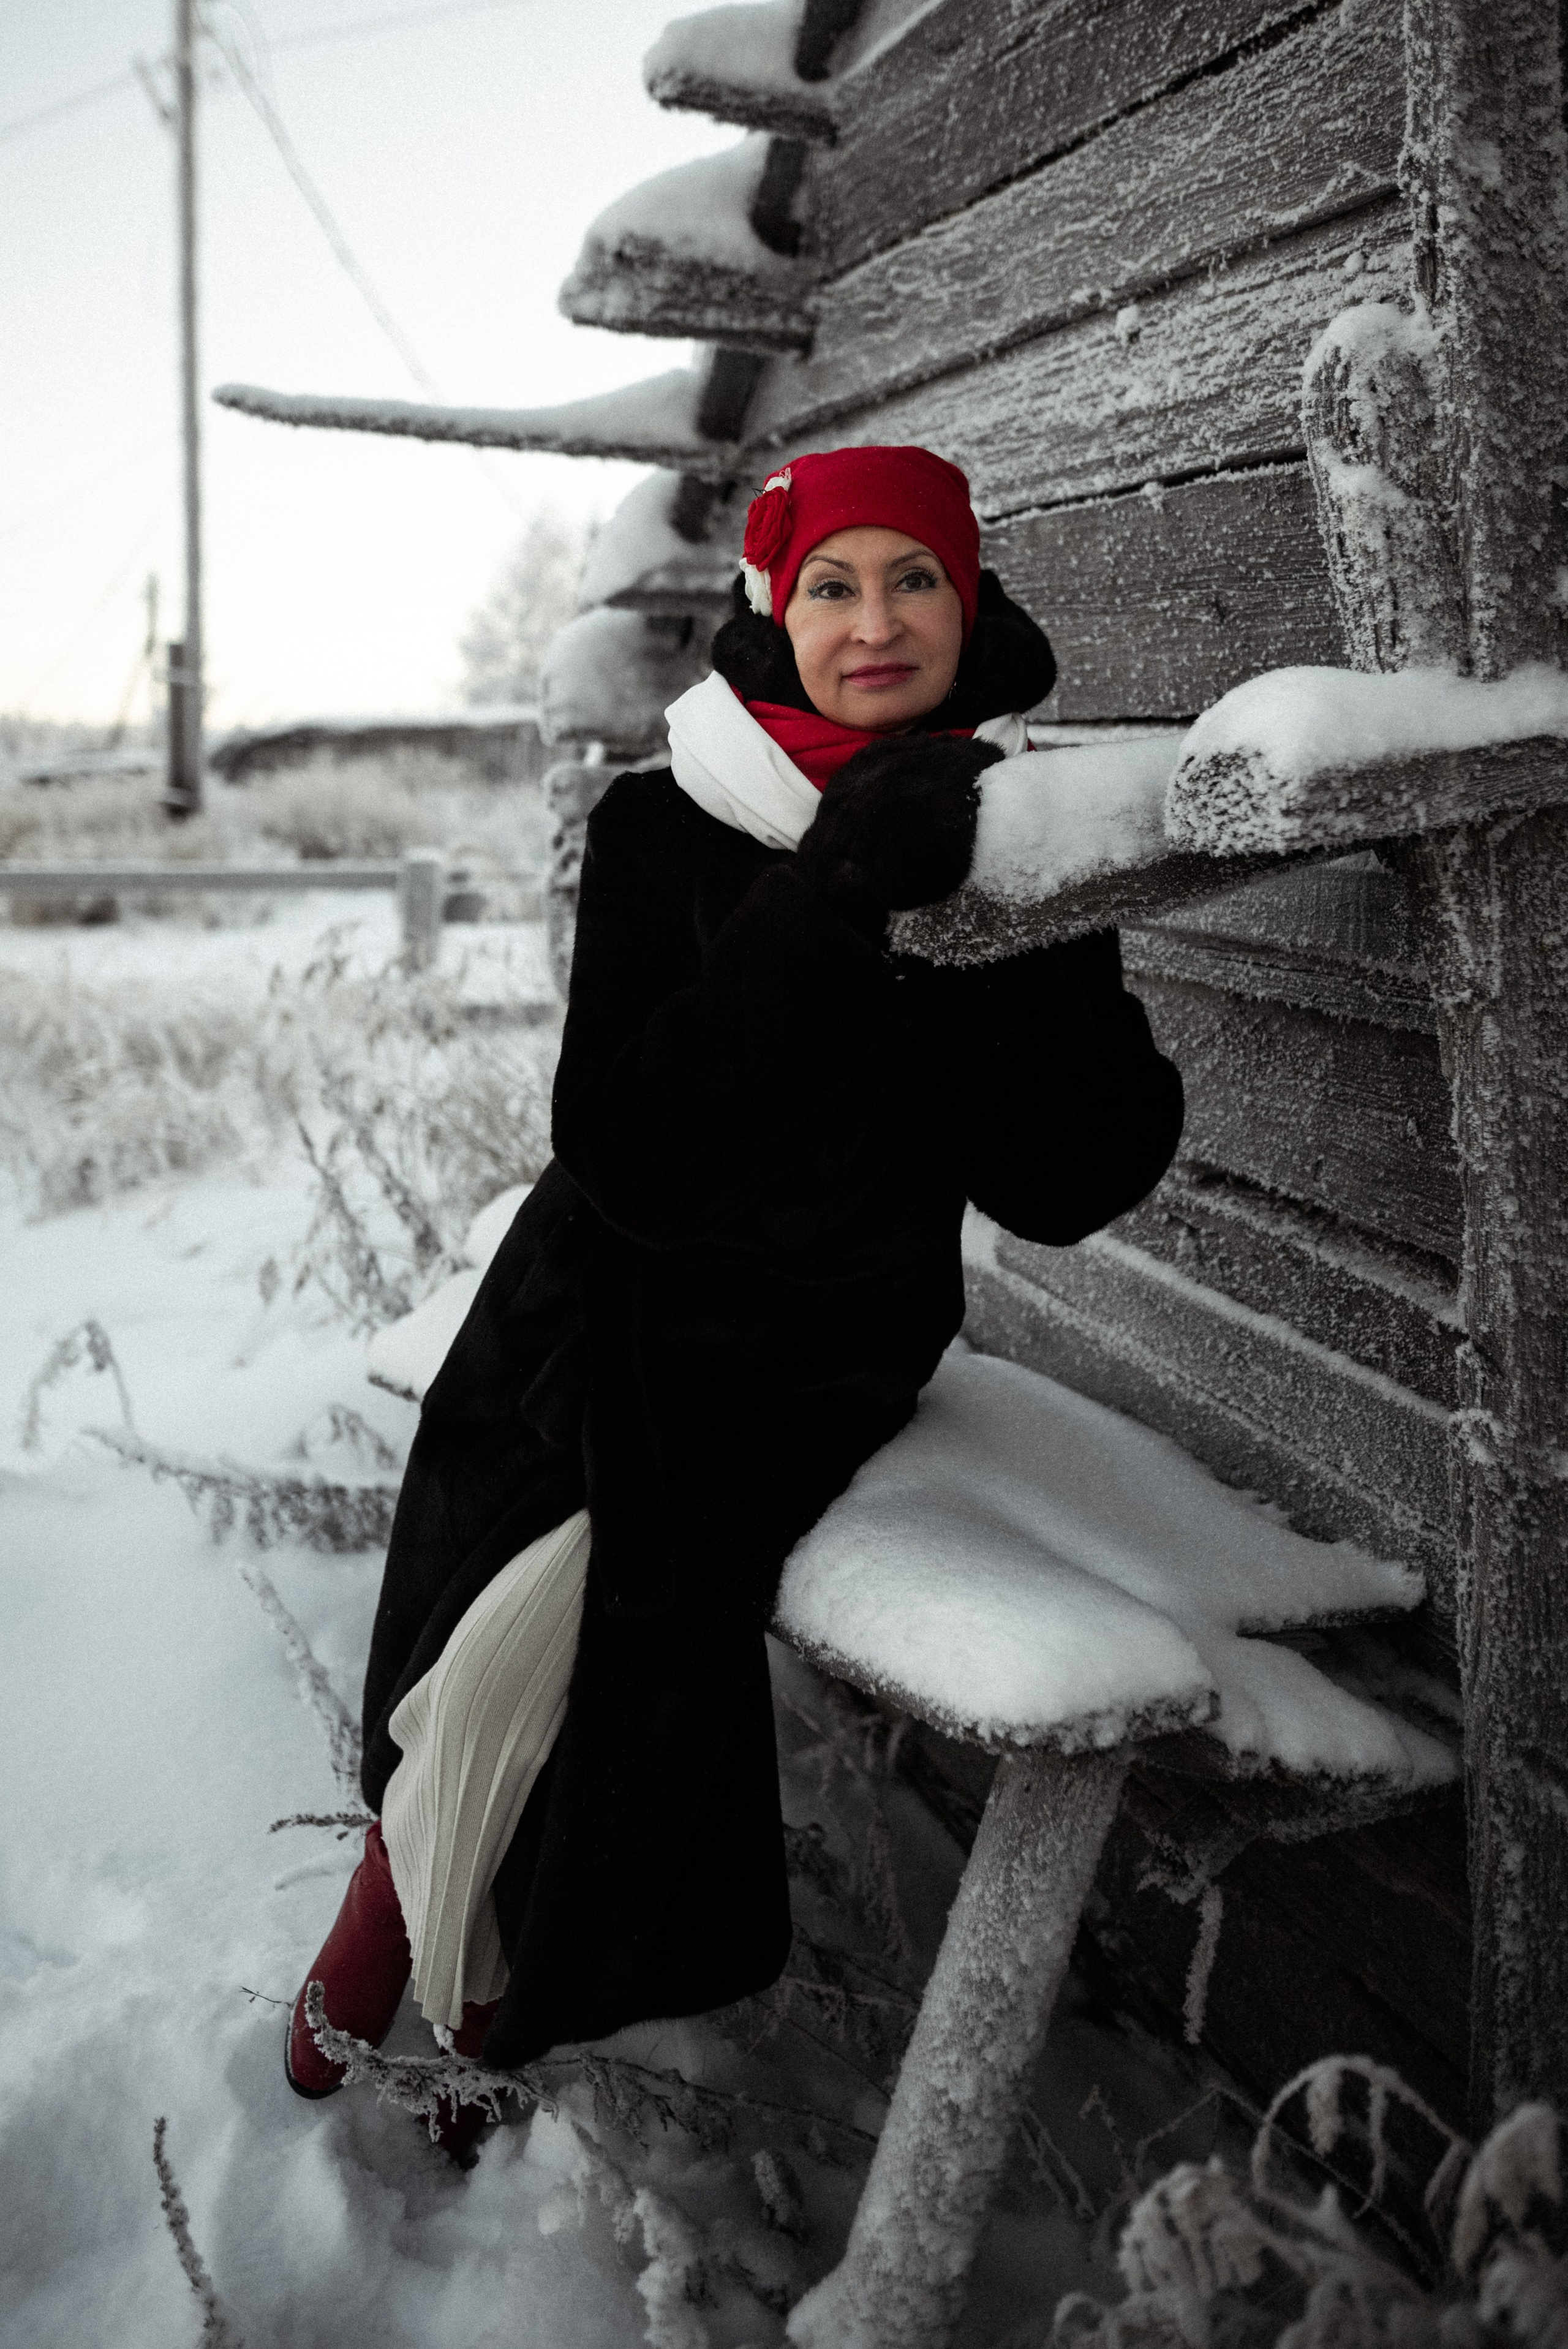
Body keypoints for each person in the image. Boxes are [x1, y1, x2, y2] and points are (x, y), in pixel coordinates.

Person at [284, 444, 1184, 2162]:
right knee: (495, 1589)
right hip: (598, 1275)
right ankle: (399, 1883)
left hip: (815, 1340)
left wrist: (1036, 971)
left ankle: (489, 1983)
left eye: (911, 579)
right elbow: (630, 1146)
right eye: (831, 585)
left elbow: (1060, 1185)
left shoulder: (1010, 833)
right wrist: (836, 896)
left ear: (967, 597)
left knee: (607, 1612)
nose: (873, 622)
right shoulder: (667, 815)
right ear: (777, 605)